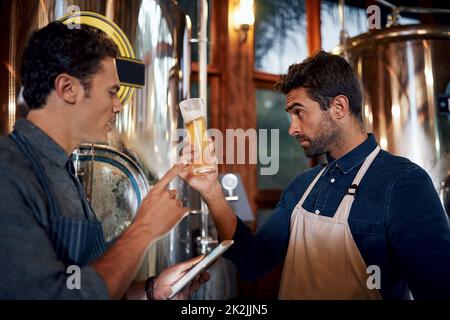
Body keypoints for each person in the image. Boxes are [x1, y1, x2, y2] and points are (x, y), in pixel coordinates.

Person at [179, 50, 450, 300]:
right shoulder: (302, 186)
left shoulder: (404, 183)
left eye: (299, 113)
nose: (292, 129)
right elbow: (253, 261)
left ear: (339, 108)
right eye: (290, 116)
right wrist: (211, 190)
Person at [0, 21, 209, 299]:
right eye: (112, 91)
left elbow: (83, 283)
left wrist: (151, 290)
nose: (119, 105)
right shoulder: (8, 172)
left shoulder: (62, 169)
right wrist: (144, 228)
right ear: (67, 88)